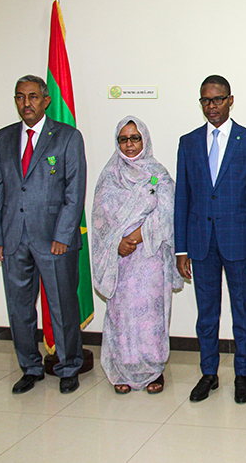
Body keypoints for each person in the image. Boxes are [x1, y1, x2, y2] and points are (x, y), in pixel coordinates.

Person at [0, 74, 86, 394]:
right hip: (13, 238)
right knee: (19, 308)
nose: (25, 103)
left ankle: (69, 366)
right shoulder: (2, 138)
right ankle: (30, 367)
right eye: (20, 97)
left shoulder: (67, 136)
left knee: (62, 306)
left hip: (55, 239)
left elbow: (74, 191)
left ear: (46, 101)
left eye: (32, 97)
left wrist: (63, 235)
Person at [175, 75, 246, 404]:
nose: (211, 106)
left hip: (239, 242)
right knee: (206, 314)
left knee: (242, 311)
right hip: (200, 243)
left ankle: (243, 374)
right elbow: (182, 198)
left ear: (230, 100)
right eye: (205, 100)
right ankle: (209, 373)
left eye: (217, 99)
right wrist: (181, 249)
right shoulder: (188, 142)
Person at [91, 116, 183, 395]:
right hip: (119, 261)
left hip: (150, 259)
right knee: (121, 317)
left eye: (135, 138)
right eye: (123, 139)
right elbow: (100, 221)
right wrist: (116, 244)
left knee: (151, 317)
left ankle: (153, 369)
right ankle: (121, 369)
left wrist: (134, 237)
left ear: (145, 139)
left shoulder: (158, 173)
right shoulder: (109, 175)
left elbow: (167, 212)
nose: (129, 144)